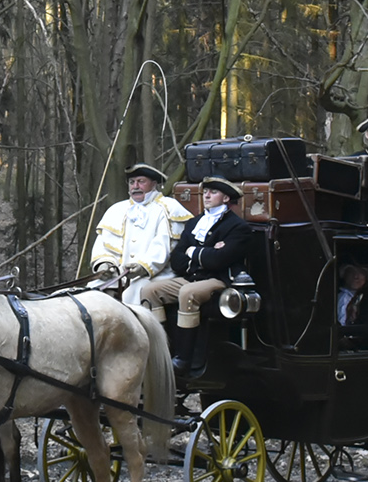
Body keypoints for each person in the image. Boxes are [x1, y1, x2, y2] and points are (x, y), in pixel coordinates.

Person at [141, 176, 259, 380]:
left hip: (219, 281)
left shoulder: (237, 227)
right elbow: (177, 259)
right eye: (205, 191)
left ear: (225, 199)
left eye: (213, 192)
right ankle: (162, 353)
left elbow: (219, 261)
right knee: (149, 291)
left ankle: (184, 359)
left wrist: (193, 252)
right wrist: (205, 252)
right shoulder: (195, 223)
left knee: (188, 293)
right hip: (192, 277)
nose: (206, 195)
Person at [88, 162, 190, 304]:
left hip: (155, 275)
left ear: (154, 184)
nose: (135, 186)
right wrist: (105, 264)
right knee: (92, 293)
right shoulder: (116, 209)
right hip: (118, 275)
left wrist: (143, 267)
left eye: (141, 182)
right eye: (132, 182)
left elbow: (165, 245)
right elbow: (103, 244)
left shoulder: (168, 207)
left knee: (135, 294)